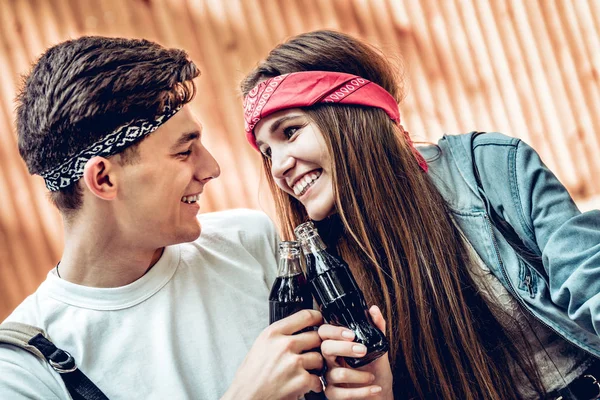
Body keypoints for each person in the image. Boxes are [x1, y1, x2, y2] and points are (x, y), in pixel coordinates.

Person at [240, 30, 600, 400]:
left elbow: (589, 277)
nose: (279, 167)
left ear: (350, 114)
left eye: (291, 131)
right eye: (267, 152)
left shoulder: (489, 167)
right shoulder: (323, 274)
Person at [0, 36, 326, 399]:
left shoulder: (249, 242)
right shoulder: (22, 370)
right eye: (185, 151)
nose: (211, 168)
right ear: (104, 179)